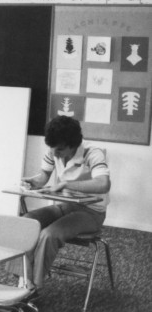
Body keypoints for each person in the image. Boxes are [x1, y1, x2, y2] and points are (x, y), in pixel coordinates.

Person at [17, 116, 111, 289]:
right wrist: (33, 182)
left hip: (91, 212)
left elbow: (103, 184)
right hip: (66, 206)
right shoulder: (54, 149)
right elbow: (43, 177)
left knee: (49, 234)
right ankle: (24, 279)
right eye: (52, 148)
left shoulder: (92, 152)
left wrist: (66, 184)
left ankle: (34, 287)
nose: (54, 153)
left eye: (59, 149)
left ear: (73, 145)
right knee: (27, 222)